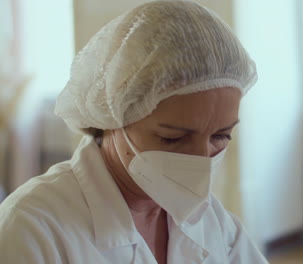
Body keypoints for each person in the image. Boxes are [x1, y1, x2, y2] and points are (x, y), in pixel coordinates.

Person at [0, 1, 269, 263]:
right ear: (112, 114)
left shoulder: (213, 223)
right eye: (173, 138)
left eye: (220, 136)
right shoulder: (32, 229)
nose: (201, 158)